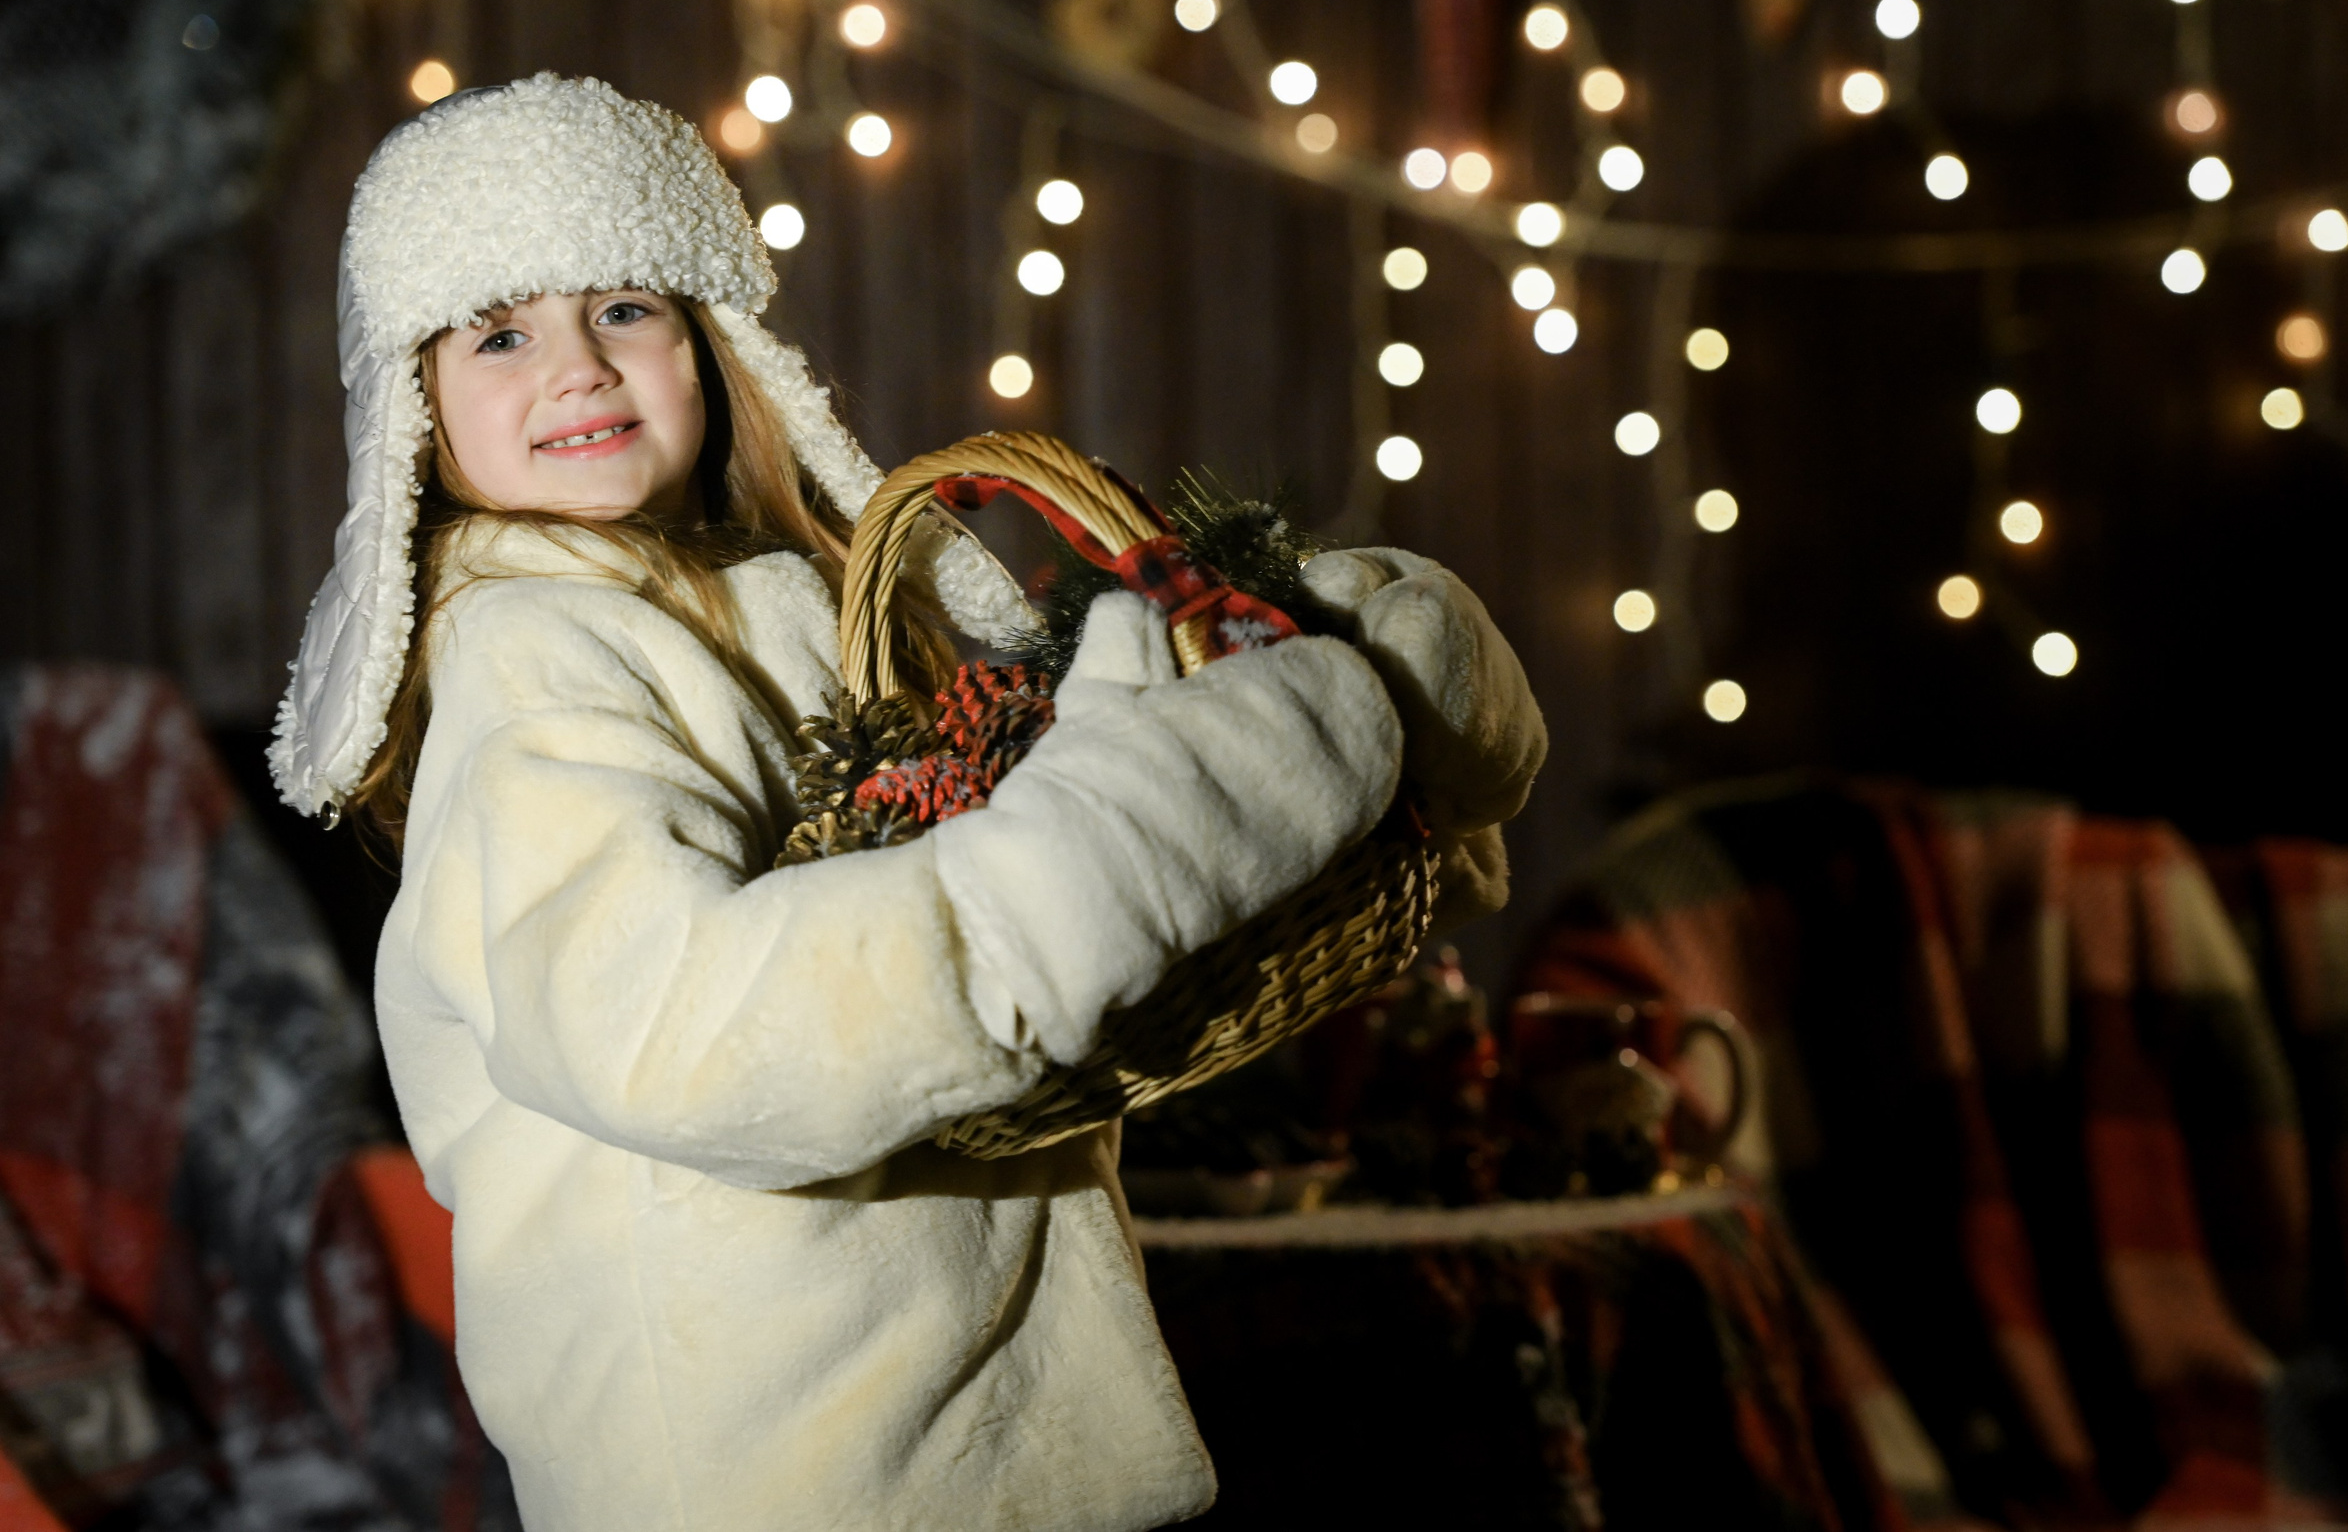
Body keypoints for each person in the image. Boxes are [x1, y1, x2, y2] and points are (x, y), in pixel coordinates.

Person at [271, 74, 1546, 1531]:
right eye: (500, 331)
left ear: (711, 339)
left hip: (940, 1409)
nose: (578, 367)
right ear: (418, 410)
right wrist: (1114, 856)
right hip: (764, 1453)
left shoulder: (799, 599)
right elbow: (682, 1032)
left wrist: (1273, 685)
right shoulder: (528, 656)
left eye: (625, 307)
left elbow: (957, 799)